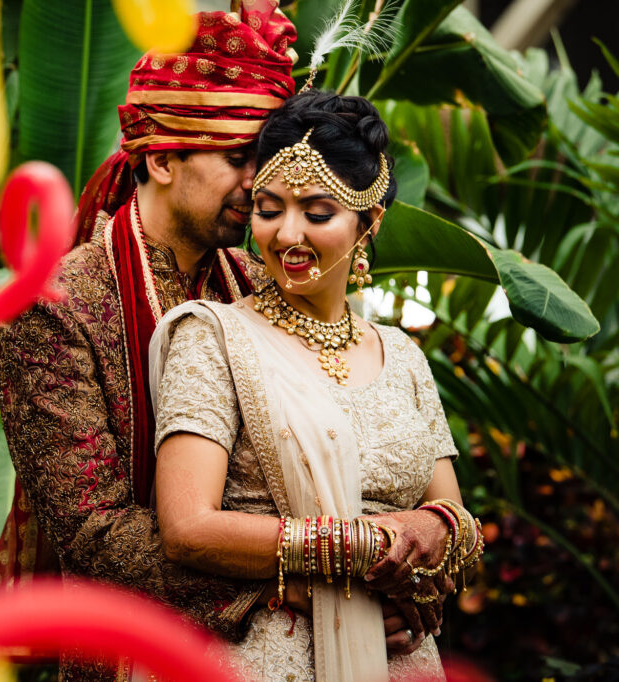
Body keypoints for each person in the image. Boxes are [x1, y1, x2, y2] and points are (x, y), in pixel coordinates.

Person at [0, 3, 298, 680]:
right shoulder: (56, 307)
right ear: (162, 160)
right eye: (238, 158)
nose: (260, 184)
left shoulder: (257, 285)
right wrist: (290, 584)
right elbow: (93, 533)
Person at [149, 90, 484, 682]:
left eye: (318, 213)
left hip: (399, 658)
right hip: (266, 654)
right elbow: (187, 529)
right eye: (269, 209)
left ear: (368, 222)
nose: (287, 236)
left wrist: (437, 534)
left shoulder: (401, 355)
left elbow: (455, 517)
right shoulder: (213, 337)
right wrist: (364, 552)